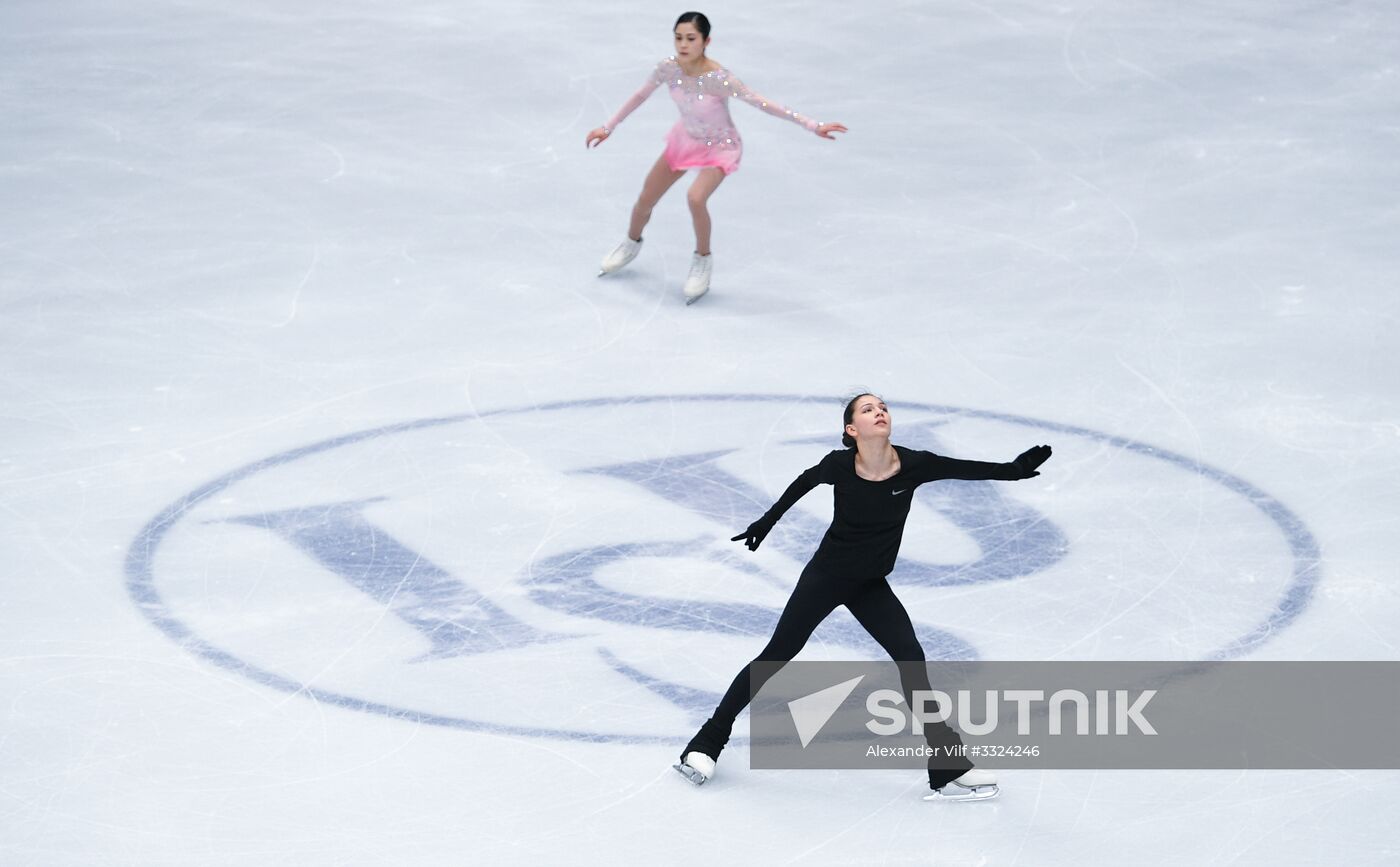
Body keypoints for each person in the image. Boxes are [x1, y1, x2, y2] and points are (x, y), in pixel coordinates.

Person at [673, 394, 1052, 801]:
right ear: (852, 431)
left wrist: (1014, 470)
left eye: (883, 407)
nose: (880, 412)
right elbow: (804, 481)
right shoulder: (839, 465)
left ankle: (948, 765)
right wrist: (766, 523)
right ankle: (705, 743)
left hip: (871, 585)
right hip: (826, 578)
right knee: (777, 655)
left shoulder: (914, 464)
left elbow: (966, 470)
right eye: (868, 410)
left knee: (911, 659)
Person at [585, 11, 848, 304]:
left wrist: (812, 125)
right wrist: (608, 127)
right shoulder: (667, 69)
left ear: (706, 41)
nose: (683, 45)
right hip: (686, 140)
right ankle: (631, 244)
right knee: (645, 199)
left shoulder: (720, 79)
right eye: (678, 38)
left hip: (720, 146)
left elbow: (763, 103)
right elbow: (639, 96)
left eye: (691, 39)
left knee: (696, 198)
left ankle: (702, 260)